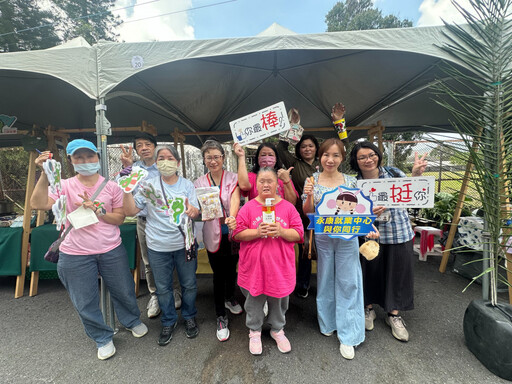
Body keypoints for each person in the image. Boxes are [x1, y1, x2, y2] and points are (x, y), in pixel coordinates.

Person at [30, 139, 147, 361]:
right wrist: (45, 173)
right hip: (74, 252)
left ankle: (132, 320)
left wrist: (98, 210)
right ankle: (102, 337)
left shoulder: (111, 186)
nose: (85, 161)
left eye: (89, 156)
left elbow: (120, 218)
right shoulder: (64, 185)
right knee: (84, 299)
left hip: (110, 248)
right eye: (79, 158)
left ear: (97, 158)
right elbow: (38, 203)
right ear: (71, 161)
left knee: (123, 289)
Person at [303, 138, 378, 360]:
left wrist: (370, 226)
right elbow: (307, 211)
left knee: (349, 282)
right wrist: (308, 194)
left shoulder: (351, 181)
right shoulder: (312, 179)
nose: (330, 159)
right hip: (324, 237)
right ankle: (328, 321)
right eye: (326, 155)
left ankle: (349, 335)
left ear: (342, 158)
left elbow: (361, 211)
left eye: (336, 155)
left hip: (348, 237)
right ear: (320, 157)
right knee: (325, 278)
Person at [349, 141, 428, 342]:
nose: (368, 160)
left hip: (398, 231)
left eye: (371, 155)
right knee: (369, 271)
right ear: (356, 162)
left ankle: (394, 315)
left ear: (378, 155)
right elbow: (348, 210)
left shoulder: (393, 174)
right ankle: (368, 309)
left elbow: (413, 194)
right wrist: (367, 212)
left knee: (398, 272)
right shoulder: (353, 183)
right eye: (362, 157)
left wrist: (416, 175)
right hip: (368, 233)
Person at [123, 146, 200, 346]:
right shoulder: (148, 186)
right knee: (163, 288)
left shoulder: (187, 185)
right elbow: (131, 210)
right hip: (157, 246)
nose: (166, 162)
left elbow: (196, 211)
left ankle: (189, 316)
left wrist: (192, 210)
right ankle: (168, 321)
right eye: (162, 158)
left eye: (170, 158)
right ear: (156, 163)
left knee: (189, 284)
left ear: (178, 163)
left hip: (184, 244)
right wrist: (127, 188)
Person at [233, 167, 304, 355]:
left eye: (270, 181)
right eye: (262, 181)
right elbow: (238, 233)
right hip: (254, 268)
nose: (266, 184)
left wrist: (281, 231)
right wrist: (257, 232)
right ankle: (254, 331)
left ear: (277, 184)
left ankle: (277, 329)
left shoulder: (287, 207)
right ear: (256, 185)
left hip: (280, 267)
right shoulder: (248, 207)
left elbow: (298, 233)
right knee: (254, 301)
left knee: (279, 300)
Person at [119, 132, 181, 318]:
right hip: (144, 221)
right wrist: (126, 168)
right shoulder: (133, 168)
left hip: (167, 220)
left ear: (154, 146)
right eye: (139, 145)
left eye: (147, 144)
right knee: (148, 261)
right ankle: (155, 295)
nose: (144, 148)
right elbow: (122, 186)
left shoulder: (164, 165)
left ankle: (175, 291)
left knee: (174, 258)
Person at [194, 139, 242, 342]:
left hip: (230, 232)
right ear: (204, 160)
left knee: (232, 270)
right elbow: (197, 209)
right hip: (211, 232)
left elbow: (235, 198)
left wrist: (232, 216)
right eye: (209, 158)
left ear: (223, 158)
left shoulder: (232, 178)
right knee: (218, 274)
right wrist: (198, 212)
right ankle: (220, 315)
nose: (213, 161)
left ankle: (231, 297)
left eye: (216, 157)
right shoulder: (199, 182)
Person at [277, 133, 320, 298]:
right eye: (303, 146)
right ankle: (303, 283)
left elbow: (341, 150)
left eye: (310, 145)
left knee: (325, 250)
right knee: (306, 249)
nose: (307, 149)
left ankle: (326, 283)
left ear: (316, 148)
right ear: (298, 149)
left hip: (325, 215)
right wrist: (290, 129)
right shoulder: (294, 163)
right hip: (303, 214)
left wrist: (340, 123)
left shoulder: (323, 162)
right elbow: (280, 148)